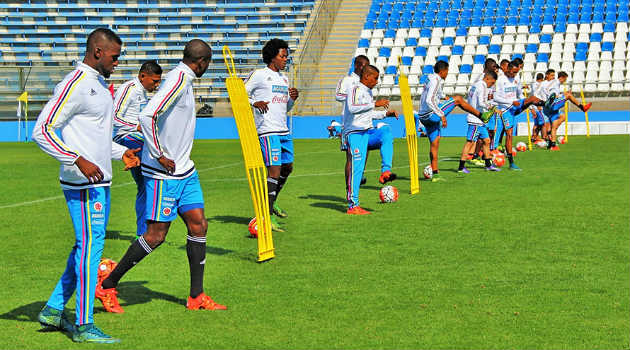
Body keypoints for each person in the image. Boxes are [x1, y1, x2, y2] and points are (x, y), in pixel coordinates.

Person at [96, 39, 227, 313]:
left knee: (199, 225)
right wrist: (157, 154)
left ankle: (196, 296)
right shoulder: (178, 80)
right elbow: (147, 117)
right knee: (155, 236)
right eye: (208, 63)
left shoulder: (184, 80)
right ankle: (107, 284)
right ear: (202, 62)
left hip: (185, 171)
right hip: (163, 174)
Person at [32, 28, 140, 344]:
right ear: (97, 51)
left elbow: (95, 137)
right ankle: (83, 323)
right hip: (83, 185)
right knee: (90, 250)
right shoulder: (76, 85)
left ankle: (53, 311)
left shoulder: (97, 86)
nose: (117, 62)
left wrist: (122, 153)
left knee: (85, 248)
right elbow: (42, 130)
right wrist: (75, 159)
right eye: (114, 56)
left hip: (97, 181)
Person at [244, 38, 299, 232]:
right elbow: (239, 92)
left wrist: (292, 100)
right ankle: (266, 217)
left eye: (287, 56)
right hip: (267, 131)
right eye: (283, 56)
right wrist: (254, 103)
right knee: (274, 171)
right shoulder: (259, 75)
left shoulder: (284, 79)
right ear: (272, 56)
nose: (286, 59)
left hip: (283, 130)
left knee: (288, 168)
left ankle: (272, 200)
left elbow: (285, 108)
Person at [416, 60, 495, 181]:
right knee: (458, 99)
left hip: (423, 117)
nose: (447, 73)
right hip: (431, 114)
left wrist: (445, 98)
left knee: (435, 143)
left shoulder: (430, 78)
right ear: (443, 71)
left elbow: (436, 94)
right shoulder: (436, 80)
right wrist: (441, 115)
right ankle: (481, 115)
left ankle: (435, 174)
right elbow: (429, 100)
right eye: (447, 71)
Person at [112, 60, 162, 237]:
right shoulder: (129, 89)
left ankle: (145, 230)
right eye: (154, 81)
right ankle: (145, 230)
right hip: (126, 138)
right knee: (149, 178)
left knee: (145, 184)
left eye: (158, 82)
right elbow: (115, 117)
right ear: (143, 76)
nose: (156, 85)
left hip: (137, 138)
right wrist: (136, 126)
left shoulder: (142, 92)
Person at [343, 65, 398, 215]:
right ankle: (353, 205)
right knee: (357, 168)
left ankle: (385, 171)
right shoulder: (355, 89)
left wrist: (385, 114)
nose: (377, 81)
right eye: (375, 78)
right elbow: (353, 107)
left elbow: (368, 114)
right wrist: (374, 104)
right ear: (366, 76)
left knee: (386, 132)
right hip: (354, 133)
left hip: (366, 132)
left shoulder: (367, 92)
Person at [335, 55, 397, 186]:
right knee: (351, 158)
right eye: (364, 65)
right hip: (350, 126)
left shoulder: (367, 89)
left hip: (364, 123)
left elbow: (369, 111)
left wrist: (384, 114)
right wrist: (354, 96)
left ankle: (372, 173)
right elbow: (339, 96)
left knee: (369, 148)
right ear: (357, 65)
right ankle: (350, 187)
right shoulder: (348, 81)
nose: (365, 68)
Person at [492, 60, 548, 169]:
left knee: (531, 98)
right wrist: (511, 102)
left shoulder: (517, 79)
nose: (514, 75)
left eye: (516, 72)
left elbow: (520, 94)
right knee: (509, 135)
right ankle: (511, 163)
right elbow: (496, 97)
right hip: (505, 110)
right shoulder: (501, 80)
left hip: (515, 106)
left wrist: (528, 105)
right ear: (508, 69)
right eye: (513, 72)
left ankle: (546, 104)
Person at [457, 71, 501, 173]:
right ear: (488, 79)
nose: (492, 85)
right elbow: (481, 103)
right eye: (492, 82)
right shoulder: (482, 86)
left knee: (486, 141)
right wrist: (493, 108)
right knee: (470, 142)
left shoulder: (475, 85)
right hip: (475, 119)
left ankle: (488, 165)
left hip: (479, 120)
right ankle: (461, 167)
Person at [541, 71, 592, 150]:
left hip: (548, 108)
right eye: (564, 79)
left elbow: (554, 92)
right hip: (552, 105)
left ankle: (552, 145)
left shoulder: (549, 83)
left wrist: (561, 95)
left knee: (554, 126)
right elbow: (552, 92)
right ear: (562, 78)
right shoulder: (555, 82)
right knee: (568, 96)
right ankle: (582, 107)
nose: (564, 81)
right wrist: (560, 95)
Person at [530, 72, 548, 143]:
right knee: (543, 124)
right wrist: (538, 105)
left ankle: (533, 138)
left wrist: (531, 108)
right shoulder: (540, 85)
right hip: (539, 107)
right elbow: (536, 96)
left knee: (536, 124)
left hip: (534, 107)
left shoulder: (533, 85)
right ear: (542, 79)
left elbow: (532, 96)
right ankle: (544, 138)